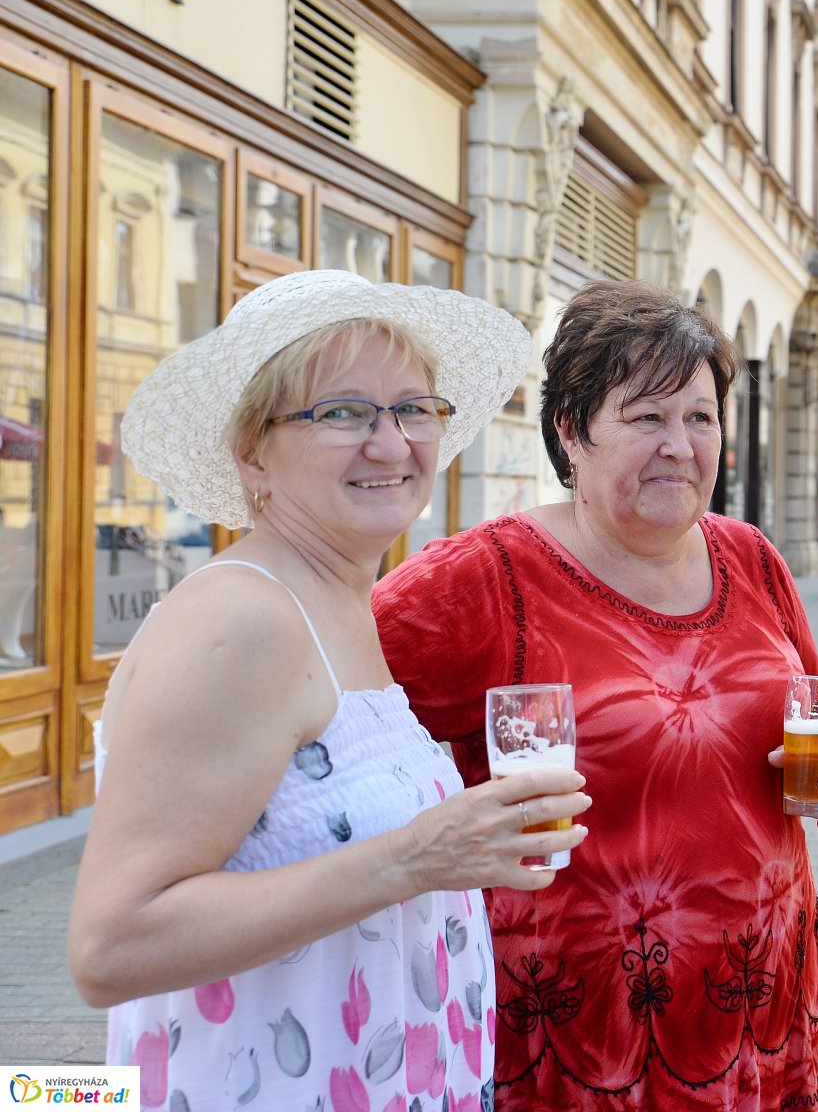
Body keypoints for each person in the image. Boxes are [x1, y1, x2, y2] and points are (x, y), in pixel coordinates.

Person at [67, 269, 588, 1110]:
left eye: (413, 409)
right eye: (342, 413)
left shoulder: (339, 606)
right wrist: (415, 857)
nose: (390, 444)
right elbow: (111, 948)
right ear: (252, 452)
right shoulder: (241, 621)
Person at [372, 280, 818, 1110]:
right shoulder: (484, 578)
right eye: (647, 418)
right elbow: (326, 712)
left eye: (700, 417)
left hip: (760, 1017)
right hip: (579, 1047)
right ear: (572, 430)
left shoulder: (753, 559)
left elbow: (805, 725)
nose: (680, 445)